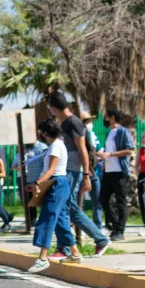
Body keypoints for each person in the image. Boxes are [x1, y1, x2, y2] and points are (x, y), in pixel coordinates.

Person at [48, 92, 111, 258]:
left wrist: (85, 174)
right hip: (68, 170)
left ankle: (65, 248)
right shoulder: (65, 122)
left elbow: (82, 149)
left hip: (72, 171)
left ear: (54, 108)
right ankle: (99, 240)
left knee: (63, 208)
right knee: (70, 209)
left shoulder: (73, 122)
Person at [27, 119, 84, 274]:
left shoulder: (56, 146)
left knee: (47, 218)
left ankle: (42, 259)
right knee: (59, 221)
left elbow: (51, 170)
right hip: (57, 184)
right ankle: (75, 253)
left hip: (57, 183)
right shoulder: (56, 145)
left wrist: (37, 183)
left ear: (44, 133)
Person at [96, 109, 135, 242]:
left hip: (119, 172)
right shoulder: (110, 133)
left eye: (107, 116)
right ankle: (115, 223)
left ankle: (119, 231)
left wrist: (110, 154)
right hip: (108, 171)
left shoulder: (122, 131)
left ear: (112, 117)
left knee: (121, 201)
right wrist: (102, 156)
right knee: (103, 199)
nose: (105, 119)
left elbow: (130, 150)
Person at [81, 112, 104, 229]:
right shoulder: (79, 135)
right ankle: (81, 227)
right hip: (82, 172)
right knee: (80, 202)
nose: (90, 123)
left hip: (93, 172)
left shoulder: (93, 135)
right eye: (87, 121)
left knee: (97, 200)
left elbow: (98, 151)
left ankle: (97, 227)